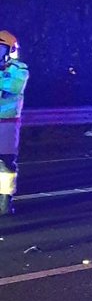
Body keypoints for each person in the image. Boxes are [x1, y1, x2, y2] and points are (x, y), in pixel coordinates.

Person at [0, 31, 29, 215]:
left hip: (6, 124)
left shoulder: (18, 69)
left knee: (4, 163)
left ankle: (4, 201)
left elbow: (12, 86)